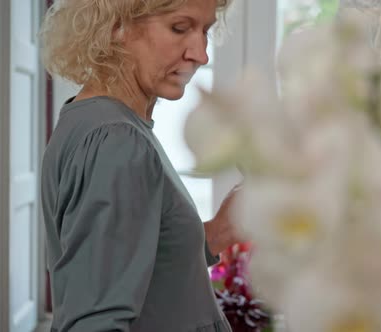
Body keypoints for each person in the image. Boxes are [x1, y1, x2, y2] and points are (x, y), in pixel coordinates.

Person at [39, 0, 240, 331]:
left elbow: (136, 265)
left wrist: (219, 231)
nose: (201, 55)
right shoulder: (116, 140)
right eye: (180, 28)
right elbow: (96, 322)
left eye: (205, 30)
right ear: (116, 26)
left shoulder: (102, 122)